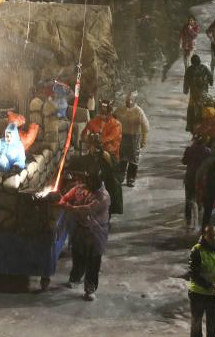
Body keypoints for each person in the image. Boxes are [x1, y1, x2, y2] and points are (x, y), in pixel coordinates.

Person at [58, 168, 111, 300]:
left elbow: (88, 210)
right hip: (80, 229)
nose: (89, 184)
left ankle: (90, 288)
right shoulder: (80, 189)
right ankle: (75, 276)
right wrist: (64, 201)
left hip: (96, 233)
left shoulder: (103, 196)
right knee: (78, 254)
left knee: (93, 260)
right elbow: (66, 197)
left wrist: (70, 208)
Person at [188, 224, 215, 337]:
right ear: (204, 235)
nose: (213, 238)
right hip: (199, 295)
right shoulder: (197, 250)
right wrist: (206, 285)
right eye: (210, 235)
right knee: (196, 325)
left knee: (213, 326)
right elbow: (193, 273)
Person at [113, 92, 149, 187]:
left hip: (134, 138)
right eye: (128, 99)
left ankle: (131, 179)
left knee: (133, 159)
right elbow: (112, 118)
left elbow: (145, 127)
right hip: (122, 137)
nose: (129, 101)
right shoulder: (120, 110)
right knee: (122, 157)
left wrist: (144, 140)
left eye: (131, 99)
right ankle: (120, 177)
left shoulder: (139, 111)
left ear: (134, 100)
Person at [183, 135, 211, 231]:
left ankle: (188, 220)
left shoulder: (189, 149)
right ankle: (197, 221)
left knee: (188, 198)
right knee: (199, 199)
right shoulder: (208, 152)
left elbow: (184, 161)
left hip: (189, 178)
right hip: (200, 179)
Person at [184, 55, 214, 132]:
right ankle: (204, 122)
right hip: (203, 91)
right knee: (204, 106)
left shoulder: (190, 69)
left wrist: (186, 89)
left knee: (191, 108)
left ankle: (190, 125)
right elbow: (210, 76)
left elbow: (186, 80)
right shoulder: (204, 68)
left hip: (194, 92)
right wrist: (211, 82)